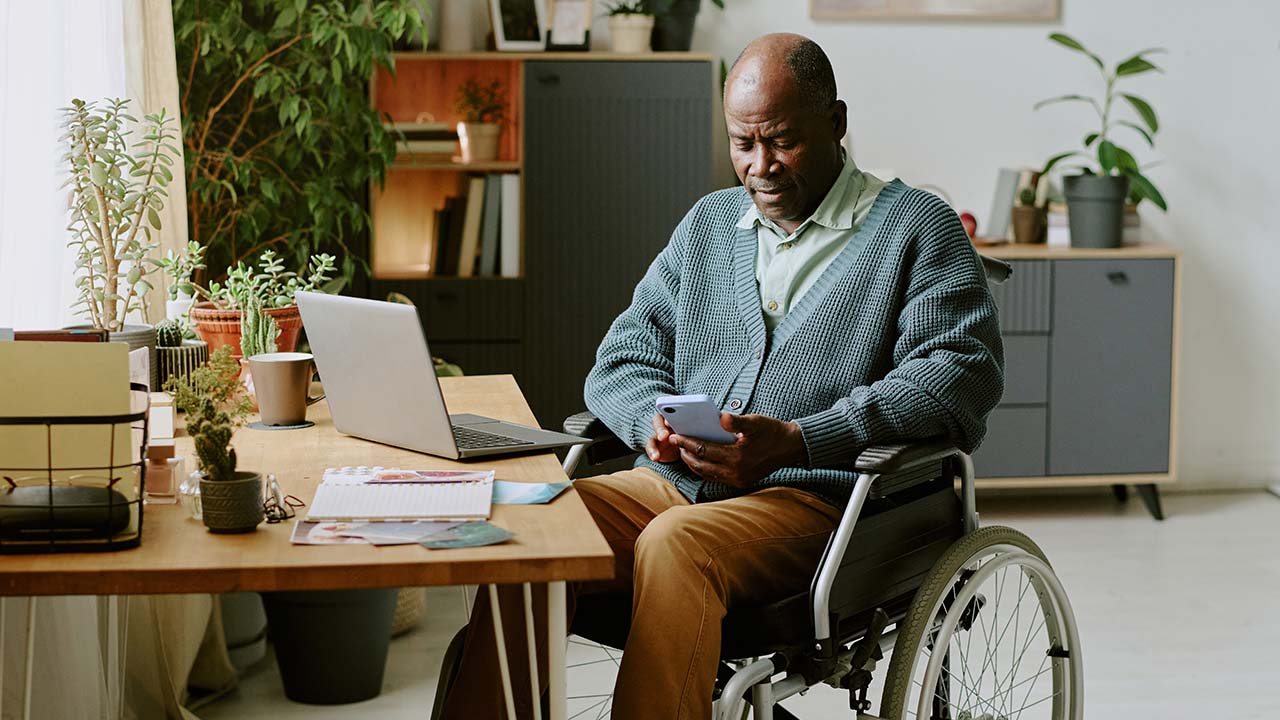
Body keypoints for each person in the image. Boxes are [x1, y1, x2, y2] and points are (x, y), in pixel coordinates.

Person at [440, 32, 1003, 720]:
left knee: (676, 543)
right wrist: (650, 421)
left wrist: (801, 439)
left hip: (820, 504)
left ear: (836, 122)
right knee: (543, 523)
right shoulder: (708, 225)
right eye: (743, 143)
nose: (760, 166)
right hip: (671, 483)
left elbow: (957, 375)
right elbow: (621, 359)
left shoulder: (917, 227)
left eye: (783, 142)